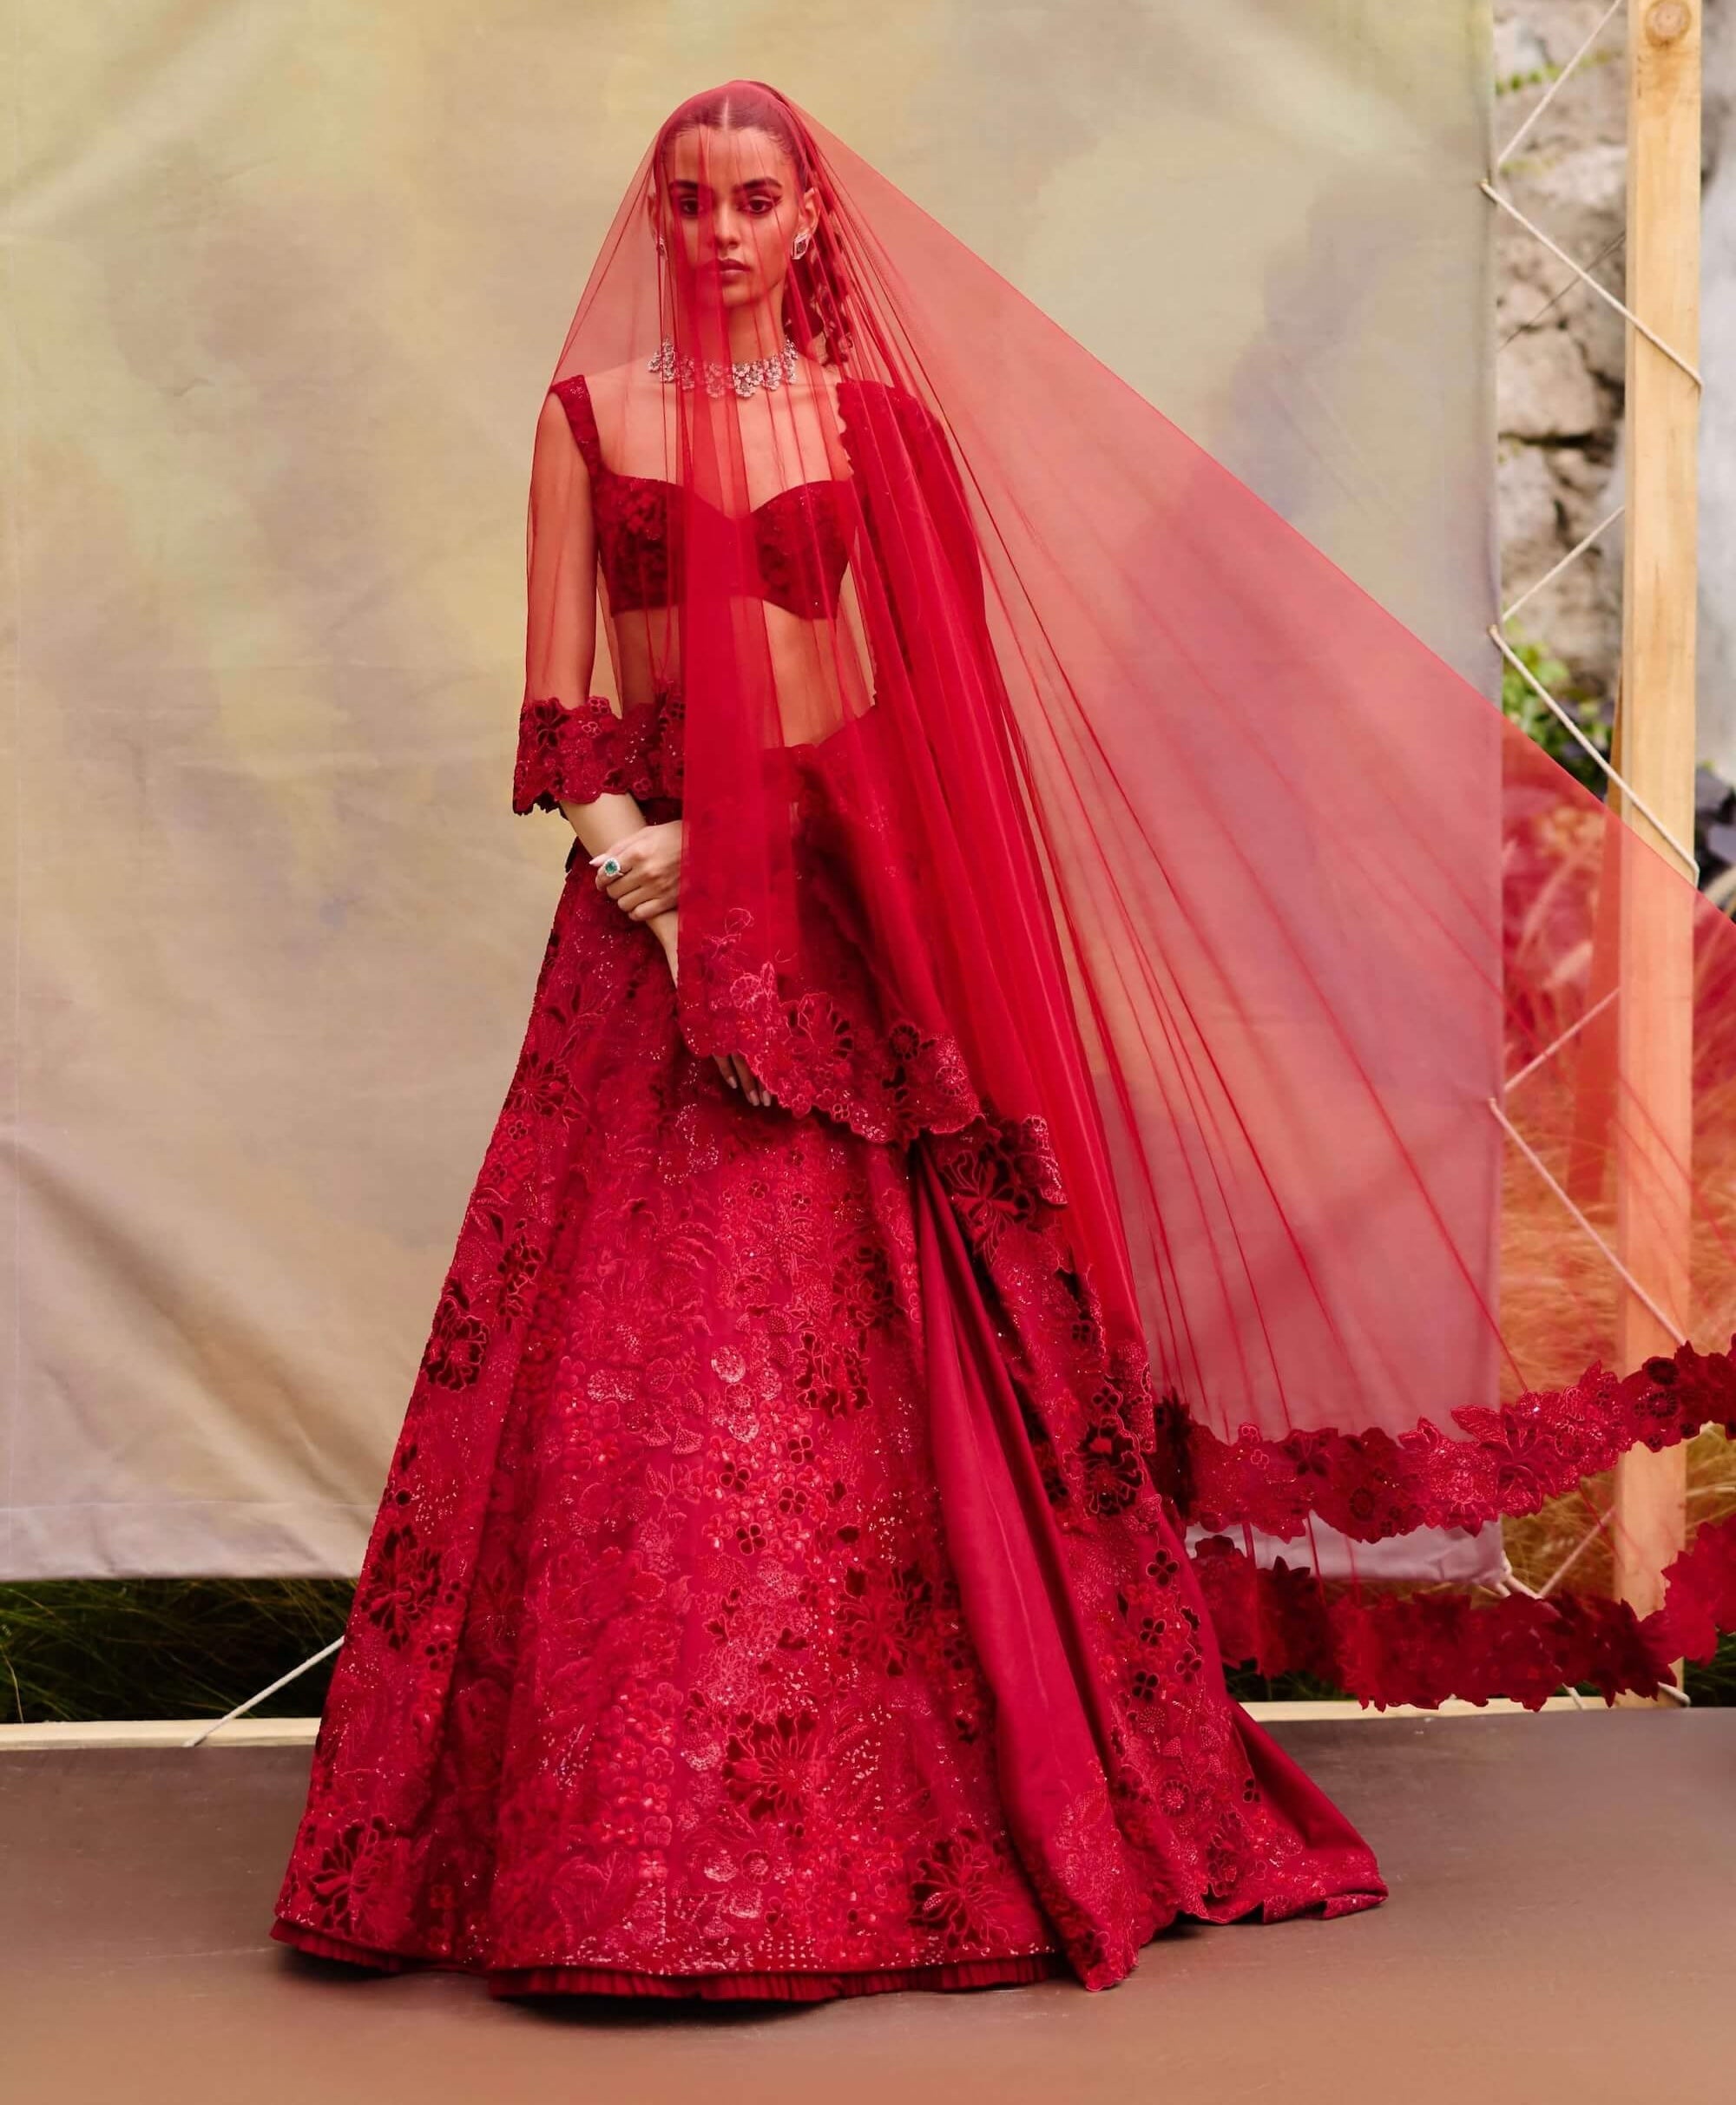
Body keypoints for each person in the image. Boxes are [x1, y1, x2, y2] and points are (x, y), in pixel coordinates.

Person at [271, 80, 1736, 2001]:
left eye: (754, 199)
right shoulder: (586, 421)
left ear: (809, 216)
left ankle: (871, 1822)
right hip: (642, 935)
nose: (719, 233)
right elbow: (560, 706)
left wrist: (752, 851)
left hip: (834, 917)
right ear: (658, 214)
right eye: (690, 201)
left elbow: (923, 704)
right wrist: (648, 867)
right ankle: (598, 1845)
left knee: (859, 1341)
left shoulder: (880, 430)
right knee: (632, 1358)